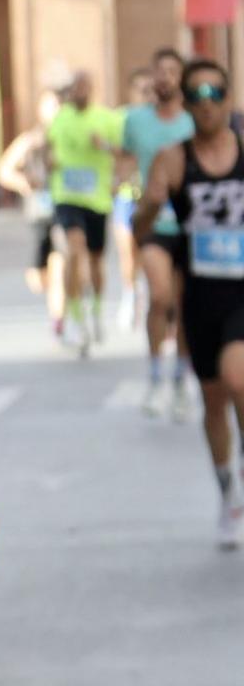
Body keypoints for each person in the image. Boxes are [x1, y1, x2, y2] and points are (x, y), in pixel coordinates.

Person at [136, 58, 244, 548]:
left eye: (214, 93)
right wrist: (151, 206)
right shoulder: (173, 159)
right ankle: (228, 491)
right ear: (185, 101)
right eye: (196, 96)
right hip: (202, 292)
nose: (206, 104)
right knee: (214, 400)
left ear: (228, 97)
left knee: (240, 379)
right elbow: (140, 232)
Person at [122, 49, 196, 418]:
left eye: (173, 71)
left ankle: (181, 382)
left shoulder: (193, 122)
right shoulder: (135, 121)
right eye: (160, 71)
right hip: (152, 220)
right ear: (152, 78)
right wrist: (119, 183)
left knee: (183, 307)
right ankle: (154, 378)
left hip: (188, 225)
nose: (166, 77)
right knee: (161, 296)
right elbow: (125, 158)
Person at [46, 70, 121, 354]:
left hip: (97, 199)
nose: (79, 92)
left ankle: (96, 310)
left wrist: (104, 146)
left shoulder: (107, 119)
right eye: (75, 88)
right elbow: (48, 148)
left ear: (92, 90)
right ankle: (75, 317)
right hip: (66, 195)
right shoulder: (60, 117)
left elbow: (123, 153)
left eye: (84, 87)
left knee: (95, 259)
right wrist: (48, 161)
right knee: (73, 252)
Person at [0, 91, 65, 326]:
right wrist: (24, 184)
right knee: (39, 279)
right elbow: (3, 170)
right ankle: (51, 291)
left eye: (60, 105)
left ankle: (59, 319)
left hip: (65, 209)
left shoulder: (69, 139)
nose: (57, 111)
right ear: (41, 110)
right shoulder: (30, 140)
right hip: (39, 213)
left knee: (60, 266)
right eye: (52, 106)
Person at [108, 68, 152, 332]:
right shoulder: (121, 119)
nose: (147, 95)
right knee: (128, 252)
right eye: (142, 90)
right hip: (127, 194)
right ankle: (130, 293)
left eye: (151, 89)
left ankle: (150, 294)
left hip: (154, 195)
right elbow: (114, 153)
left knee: (153, 251)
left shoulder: (162, 120)